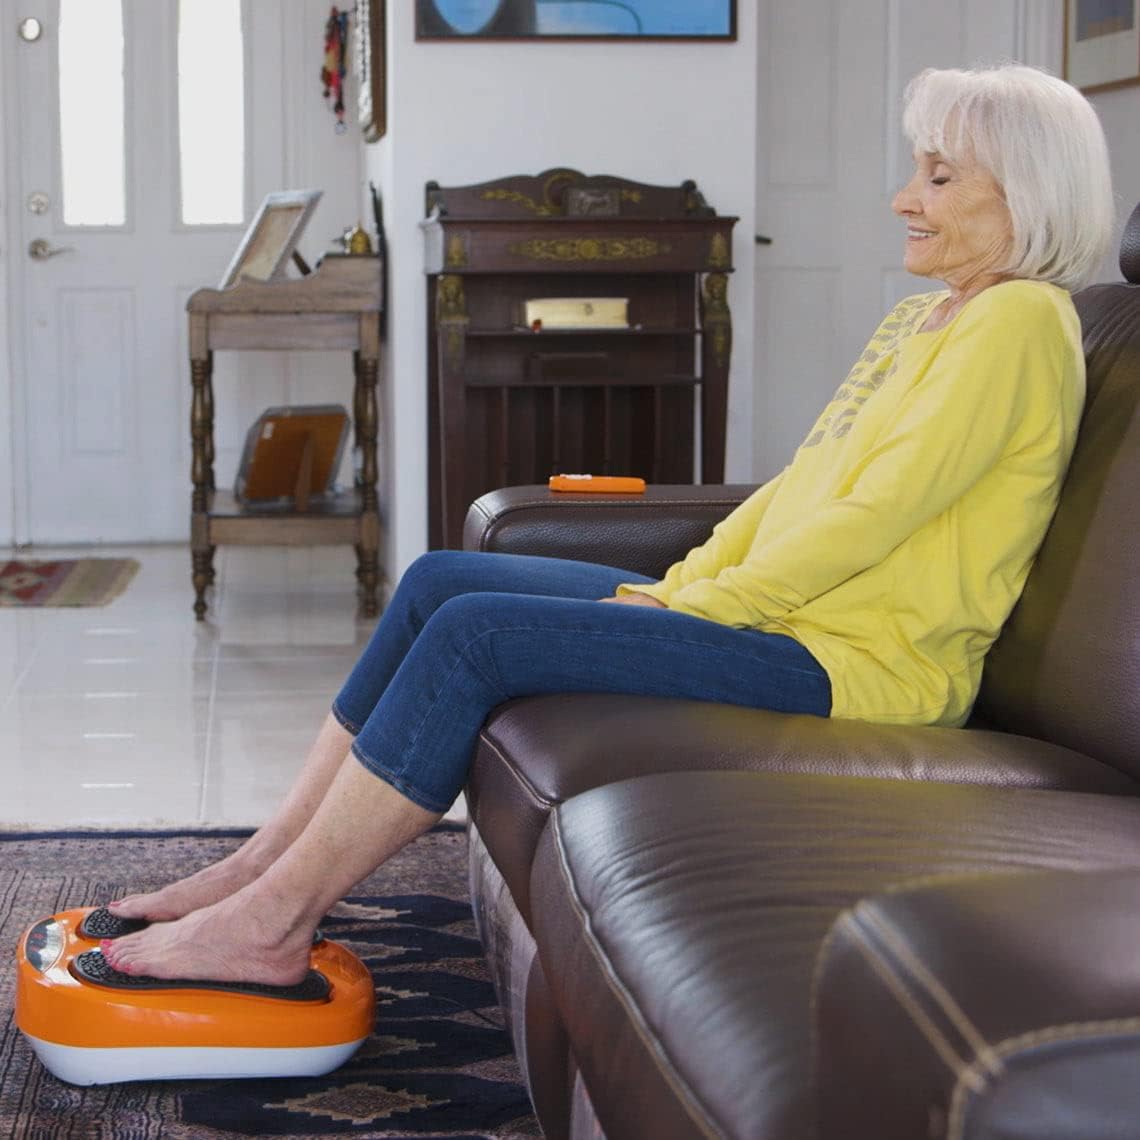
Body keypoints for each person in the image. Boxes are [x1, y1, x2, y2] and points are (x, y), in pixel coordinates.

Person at [102, 63, 1115, 985]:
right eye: (916, 171)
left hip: (861, 662)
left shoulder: (1018, 323)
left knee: (477, 636)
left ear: (1023, 196)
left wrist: (705, 606)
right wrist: (691, 583)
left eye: (939, 179)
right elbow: (807, 486)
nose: (905, 197)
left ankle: (274, 923)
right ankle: (258, 865)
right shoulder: (923, 318)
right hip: (784, 625)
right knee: (441, 583)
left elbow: (873, 519)